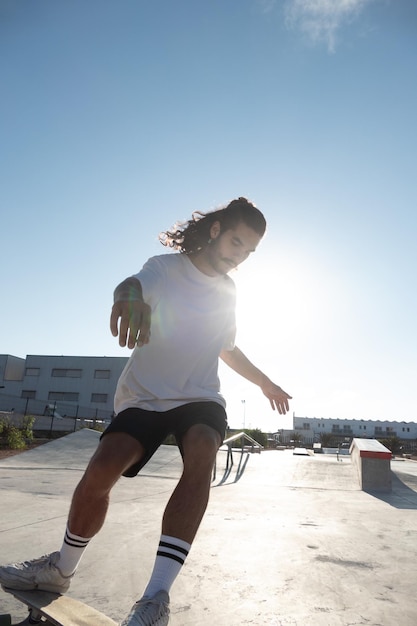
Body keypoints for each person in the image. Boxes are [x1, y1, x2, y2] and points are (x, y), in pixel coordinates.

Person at [0, 197, 291, 626]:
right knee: (103, 468)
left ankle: (155, 598)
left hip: (200, 396)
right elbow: (130, 285)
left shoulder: (228, 290)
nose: (238, 256)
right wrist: (129, 298)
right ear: (215, 232)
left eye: (248, 251)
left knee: (203, 447)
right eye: (235, 242)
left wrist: (264, 381)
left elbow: (227, 346)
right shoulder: (165, 267)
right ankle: (60, 570)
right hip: (145, 397)